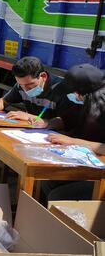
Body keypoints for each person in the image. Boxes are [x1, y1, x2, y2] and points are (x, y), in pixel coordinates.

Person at [30, 64, 105, 202]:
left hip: (101, 173)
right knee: (49, 181)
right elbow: (69, 120)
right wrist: (48, 124)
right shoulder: (88, 103)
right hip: (91, 164)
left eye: (75, 92)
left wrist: (73, 141)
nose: (73, 95)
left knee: (59, 196)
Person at [0, 56, 79, 123]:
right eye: (21, 85)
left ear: (43, 76)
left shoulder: (62, 90)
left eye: (30, 85)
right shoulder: (22, 85)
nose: (25, 90)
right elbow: (4, 101)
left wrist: (29, 117)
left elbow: (63, 122)